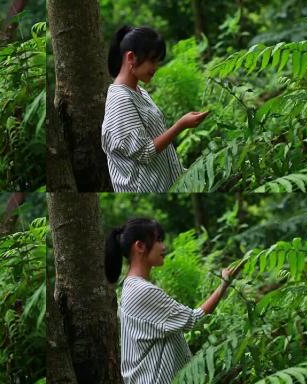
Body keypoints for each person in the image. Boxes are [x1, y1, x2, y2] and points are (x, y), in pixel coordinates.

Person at [105, 218, 240, 384]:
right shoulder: (142, 291)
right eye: (159, 240)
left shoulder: (132, 286)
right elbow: (194, 319)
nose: (164, 247)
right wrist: (224, 284)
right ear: (139, 246)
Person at [102, 26, 210, 192]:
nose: (156, 67)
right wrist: (181, 125)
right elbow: (145, 152)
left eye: (158, 61)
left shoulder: (139, 91)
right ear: (131, 57)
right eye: (152, 60)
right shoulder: (120, 100)